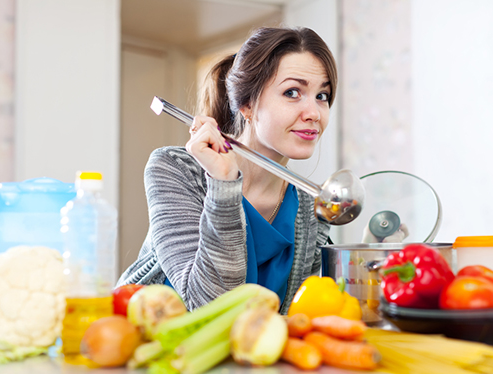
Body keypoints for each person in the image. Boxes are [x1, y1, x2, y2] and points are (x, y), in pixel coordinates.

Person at [117, 26, 337, 314]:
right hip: (141, 345)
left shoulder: (312, 208)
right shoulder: (175, 169)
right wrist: (223, 184)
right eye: (293, 92)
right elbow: (210, 305)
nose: (314, 113)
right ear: (246, 105)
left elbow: (289, 321)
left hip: (243, 358)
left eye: (322, 95)